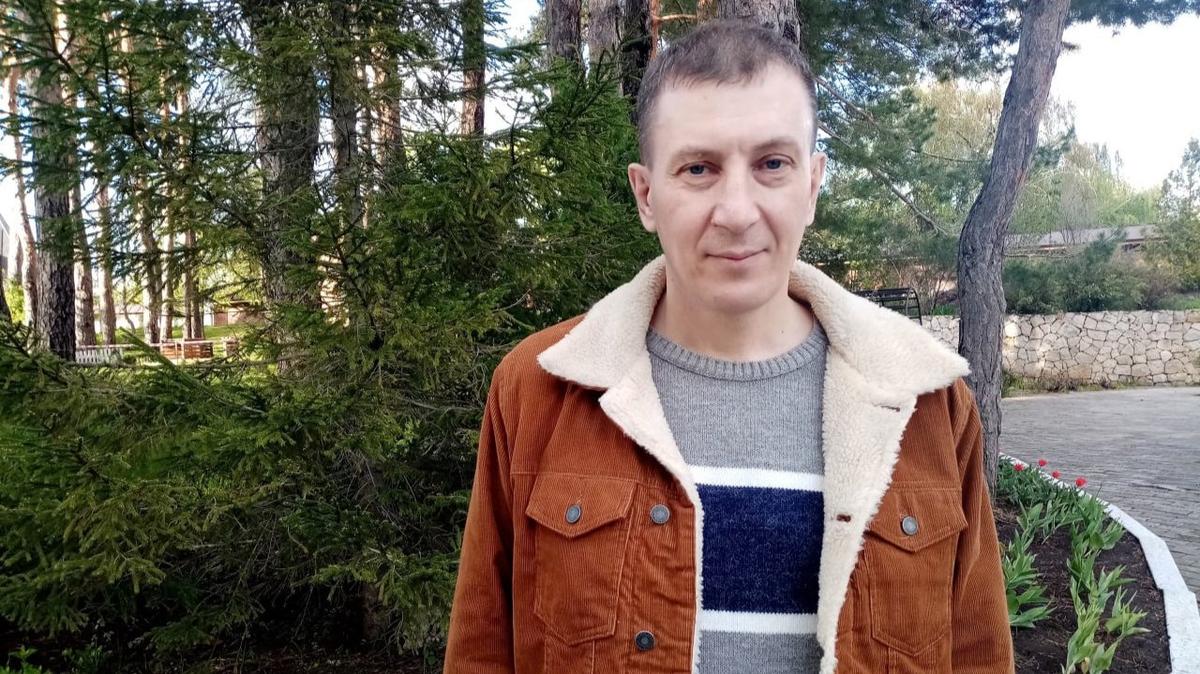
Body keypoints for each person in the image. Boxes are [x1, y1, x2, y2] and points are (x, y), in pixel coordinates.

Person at [442, 19, 1014, 674]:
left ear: (812, 185)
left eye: (772, 164)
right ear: (646, 195)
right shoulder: (537, 390)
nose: (737, 211)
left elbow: (978, 654)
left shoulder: (926, 404)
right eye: (698, 168)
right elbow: (481, 650)